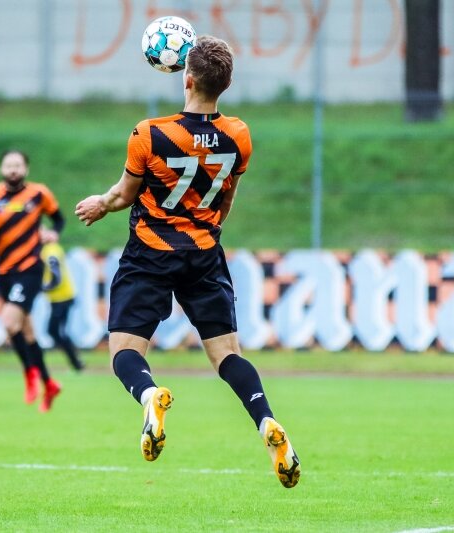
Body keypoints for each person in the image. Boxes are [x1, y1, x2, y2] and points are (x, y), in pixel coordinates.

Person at [75, 36, 300, 488]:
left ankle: (149, 395)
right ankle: (265, 421)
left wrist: (100, 204)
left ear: (187, 79)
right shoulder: (239, 135)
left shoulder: (149, 133)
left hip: (150, 253)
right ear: (226, 84)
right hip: (204, 253)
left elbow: (123, 195)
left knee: (124, 351)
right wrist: (205, 232)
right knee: (226, 355)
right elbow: (226, 199)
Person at [0, 150, 63, 412]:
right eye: (9, 165)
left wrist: (53, 233)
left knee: (10, 323)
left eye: (18, 165)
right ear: (1, 169)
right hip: (5, 272)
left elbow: (59, 219)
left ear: (26, 169)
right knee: (27, 331)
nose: (13, 169)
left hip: (30, 268)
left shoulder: (39, 193)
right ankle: (49, 383)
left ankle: (30, 373)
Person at [40, 236, 85, 371]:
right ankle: (76, 361)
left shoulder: (50, 251)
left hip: (62, 298)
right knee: (57, 331)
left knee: (55, 330)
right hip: (61, 298)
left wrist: (43, 287)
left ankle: (76, 361)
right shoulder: (53, 248)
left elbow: (56, 277)